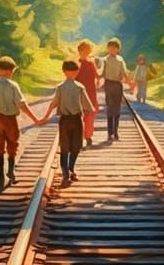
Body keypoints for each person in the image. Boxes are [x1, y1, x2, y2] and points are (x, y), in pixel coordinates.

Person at [0, 55, 40, 188]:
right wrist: (35, 119)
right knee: (12, 145)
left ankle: (1, 178)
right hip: (11, 120)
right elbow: (22, 105)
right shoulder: (14, 86)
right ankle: (11, 172)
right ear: (11, 71)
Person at [40, 58, 95, 186]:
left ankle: (66, 173)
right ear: (77, 72)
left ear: (64, 71)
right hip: (76, 120)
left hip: (64, 120)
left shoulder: (60, 87)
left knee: (64, 148)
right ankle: (71, 169)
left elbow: (53, 103)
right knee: (76, 146)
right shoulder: (80, 87)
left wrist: (46, 117)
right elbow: (89, 107)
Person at [99, 37, 128, 141]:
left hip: (118, 85)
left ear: (118, 49)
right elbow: (101, 72)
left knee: (117, 109)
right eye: (110, 48)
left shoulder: (120, 60)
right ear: (107, 49)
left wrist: (130, 82)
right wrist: (97, 80)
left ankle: (116, 131)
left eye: (114, 48)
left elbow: (124, 72)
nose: (112, 50)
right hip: (108, 84)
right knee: (110, 108)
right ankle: (109, 132)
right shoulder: (104, 60)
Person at [75, 39, 101, 147]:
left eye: (87, 51)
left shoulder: (91, 63)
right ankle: (80, 138)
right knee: (79, 117)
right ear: (79, 51)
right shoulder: (76, 64)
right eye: (83, 51)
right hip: (78, 94)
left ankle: (88, 136)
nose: (85, 53)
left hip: (90, 93)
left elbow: (97, 76)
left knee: (89, 117)